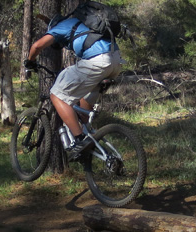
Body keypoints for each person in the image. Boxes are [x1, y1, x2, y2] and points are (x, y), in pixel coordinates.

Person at [26, 11, 123, 160]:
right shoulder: (82, 24)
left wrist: (29, 62)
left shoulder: (61, 26)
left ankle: (79, 139)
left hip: (98, 61)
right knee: (83, 104)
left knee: (57, 95)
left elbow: (37, 46)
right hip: (116, 61)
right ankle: (90, 138)